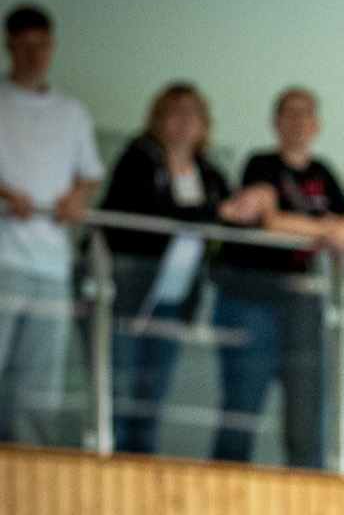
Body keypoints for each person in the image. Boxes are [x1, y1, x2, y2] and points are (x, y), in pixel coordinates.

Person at [99, 83, 265, 454]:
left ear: (205, 124)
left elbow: (232, 217)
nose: (184, 121)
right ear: (157, 118)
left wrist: (257, 206)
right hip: (129, 289)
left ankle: (139, 470)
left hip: (176, 294)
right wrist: (213, 214)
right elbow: (141, 215)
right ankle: (108, 466)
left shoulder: (208, 172)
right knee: (119, 388)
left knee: (151, 392)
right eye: (174, 111)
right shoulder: (139, 157)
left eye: (192, 113)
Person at [210, 86, 344, 467]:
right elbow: (270, 223)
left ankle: (308, 493)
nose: (298, 121)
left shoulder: (322, 171)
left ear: (316, 125)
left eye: (306, 114)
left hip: (301, 301)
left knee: (306, 406)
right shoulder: (261, 163)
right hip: (251, 297)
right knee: (243, 404)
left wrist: (342, 228)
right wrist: (329, 229)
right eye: (289, 113)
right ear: (276, 122)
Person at [0, 4, 103, 446]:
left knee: (38, 387)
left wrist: (76, 197)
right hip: (4, 256)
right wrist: (7, 195)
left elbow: (91, 173)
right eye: (24, 46)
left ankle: (28, 476)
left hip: (52, 264)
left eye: (41, 45)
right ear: (9, 46)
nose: (33, 54)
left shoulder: (71, 112)